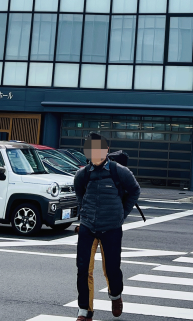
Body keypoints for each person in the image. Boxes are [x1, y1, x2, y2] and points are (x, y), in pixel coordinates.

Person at [73, 133, 142, 321]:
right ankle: (85, 311)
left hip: (111, 227)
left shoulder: (119, 171)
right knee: (83, 269)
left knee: (111, 268)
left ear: (106, 150)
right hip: (88, 227)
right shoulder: (82, 174)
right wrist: (84, 213)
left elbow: (135, 190)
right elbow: (80, 195)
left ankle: (115, 295)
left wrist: (122, 214)